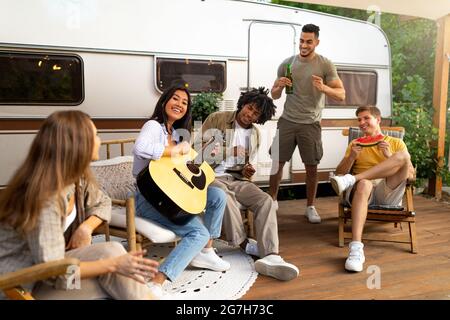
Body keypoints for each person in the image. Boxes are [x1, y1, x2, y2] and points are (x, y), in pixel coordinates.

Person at [0, 110, 159, 300]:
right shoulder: (45, 196)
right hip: (21, 287)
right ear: (77, 144)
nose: (100, 140)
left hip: (54, 272)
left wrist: (86, 227)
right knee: (114, 271)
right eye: (96, 135)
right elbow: (53, 271)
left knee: (113, 257)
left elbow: (103, 200)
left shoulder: (76, 179)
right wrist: (114, 265)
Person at [132, 84, 230, 299]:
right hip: (148, 197)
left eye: (184, 102)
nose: (179, 104)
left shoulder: (176, 134)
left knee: (218, 196)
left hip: (169, 193)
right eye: (175, 99)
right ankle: (156, 283)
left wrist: (207, 156)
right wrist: (174, 150)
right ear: (165, 101)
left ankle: (206, 251)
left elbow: (184, 169)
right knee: (198, 232)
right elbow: (139, 148)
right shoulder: (153, 126)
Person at [198, 87, 299, 281]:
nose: (250, 115)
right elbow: (198, 152)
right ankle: (244, 244)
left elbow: (239, 165)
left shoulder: (255, 134)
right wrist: (230, 151)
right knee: (223, 195)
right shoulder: (217, 119)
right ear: (243, 103)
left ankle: (271, 255)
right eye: (250, 108)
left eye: (256, 114)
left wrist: (245, 169)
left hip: (234, 178)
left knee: (266, 200)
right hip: (209, 176)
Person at [269, 23, 345, 224]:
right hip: (287, 120)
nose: (304, 45)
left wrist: (324, 88)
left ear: (316, 42)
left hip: (310, 123)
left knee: (311, 167)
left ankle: (310, 206)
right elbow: (274, 95)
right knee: (277, 162)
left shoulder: (325, 65)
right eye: (301, 41)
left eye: (308, 41)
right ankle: (272, 200)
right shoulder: (286, 64)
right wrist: (279, 86)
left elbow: (341, 95)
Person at [330, 105, 415, 272]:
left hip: (387, 189)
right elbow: (339, 173)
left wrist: (389, 156)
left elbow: (411, 175)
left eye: (366, 118)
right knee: (364, 183)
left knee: (403, 156)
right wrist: (352, 157)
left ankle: (353, 178)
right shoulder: (355, 144)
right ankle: (356, 249)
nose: (361, 122)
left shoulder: (396, 142)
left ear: (378, 120)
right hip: (361, 192)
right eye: (359, 119)